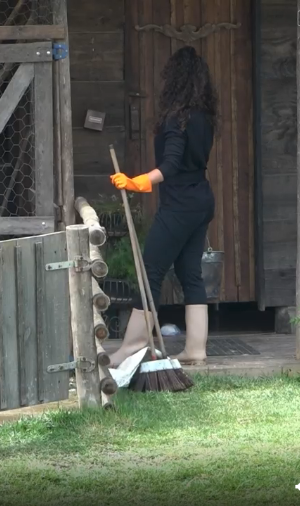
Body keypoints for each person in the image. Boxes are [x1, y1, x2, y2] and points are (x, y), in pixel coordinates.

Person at [107, 45, 218, 368]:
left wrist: (138, 181)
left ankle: (133, 345)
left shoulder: (176, 120)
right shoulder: (204, 119)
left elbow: (169, 165)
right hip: (201, 200)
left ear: (174, 81)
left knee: (149, 271)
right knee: (190, 273)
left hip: (180, 204)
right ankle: (196, 348)